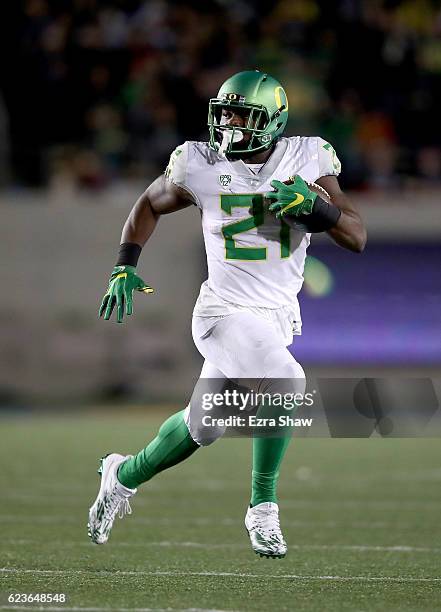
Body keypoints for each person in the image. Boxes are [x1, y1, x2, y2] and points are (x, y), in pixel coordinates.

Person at [88, 70, 367, 558]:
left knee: (203, 425)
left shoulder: (308, 157)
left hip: (275, 316)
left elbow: (355, 235)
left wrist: (314, 209)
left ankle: (122, 474)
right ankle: (263, 508)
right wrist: (124, 265)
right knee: (287, 381)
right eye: (225, 113)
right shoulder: (198, 163)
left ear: (272, 122)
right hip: (223, 312)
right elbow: (149, 203)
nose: (229, 124)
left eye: (242, 115)